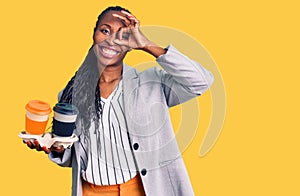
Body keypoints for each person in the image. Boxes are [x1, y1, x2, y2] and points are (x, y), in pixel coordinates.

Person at [25, 6, 214, 196]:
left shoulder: (151, 84)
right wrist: (56, 148)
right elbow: (70, 156)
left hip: (140, 190)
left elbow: (200, 81)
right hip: (90, 191)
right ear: (94, 34)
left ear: (130, 44)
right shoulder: (71, 94)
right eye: (105, 30)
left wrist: (146, 44)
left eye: (122, 36)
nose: (111, 40)